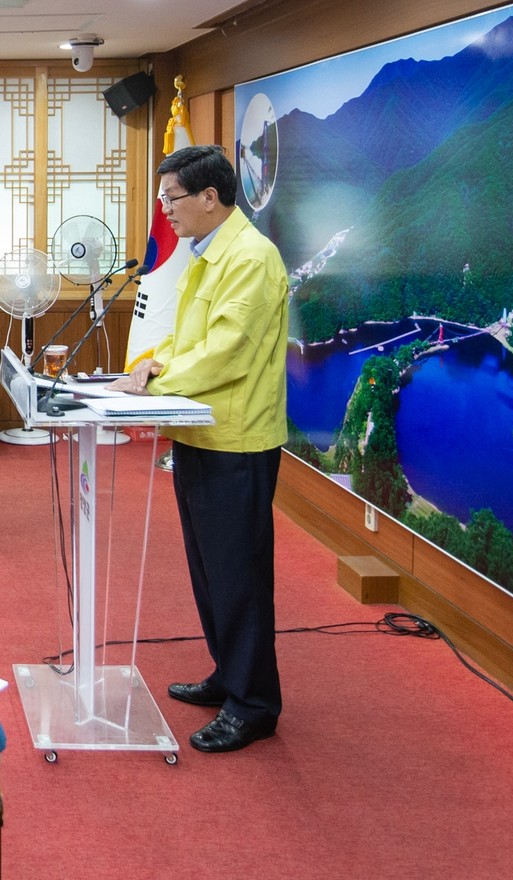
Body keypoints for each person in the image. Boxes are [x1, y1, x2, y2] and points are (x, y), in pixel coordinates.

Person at [111, 145, 289, 752]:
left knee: (238, 573)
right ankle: (228, 674)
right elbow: (195, 341)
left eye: (171, 198)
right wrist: (160, 364)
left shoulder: (251, 258)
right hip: (200, 429)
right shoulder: (207, 250)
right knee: (212, 571)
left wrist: (155, 380)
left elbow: (227, 351)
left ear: (209, 197)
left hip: (237, 439)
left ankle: (254, 704)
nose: (165, 210)